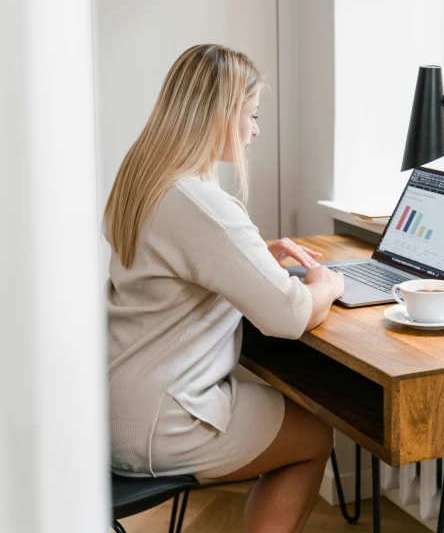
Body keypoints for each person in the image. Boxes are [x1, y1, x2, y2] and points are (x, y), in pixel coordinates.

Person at [105, 44, 344, 533]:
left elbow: (181, 264)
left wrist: (256, 253)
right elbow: (289, 315)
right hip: (164, 424)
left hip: (117, 406)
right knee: (316, 435)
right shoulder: (201, 204)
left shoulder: (145, 179)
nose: (255, 131)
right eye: (251, 116)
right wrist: (326, 283)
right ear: (220, 114)